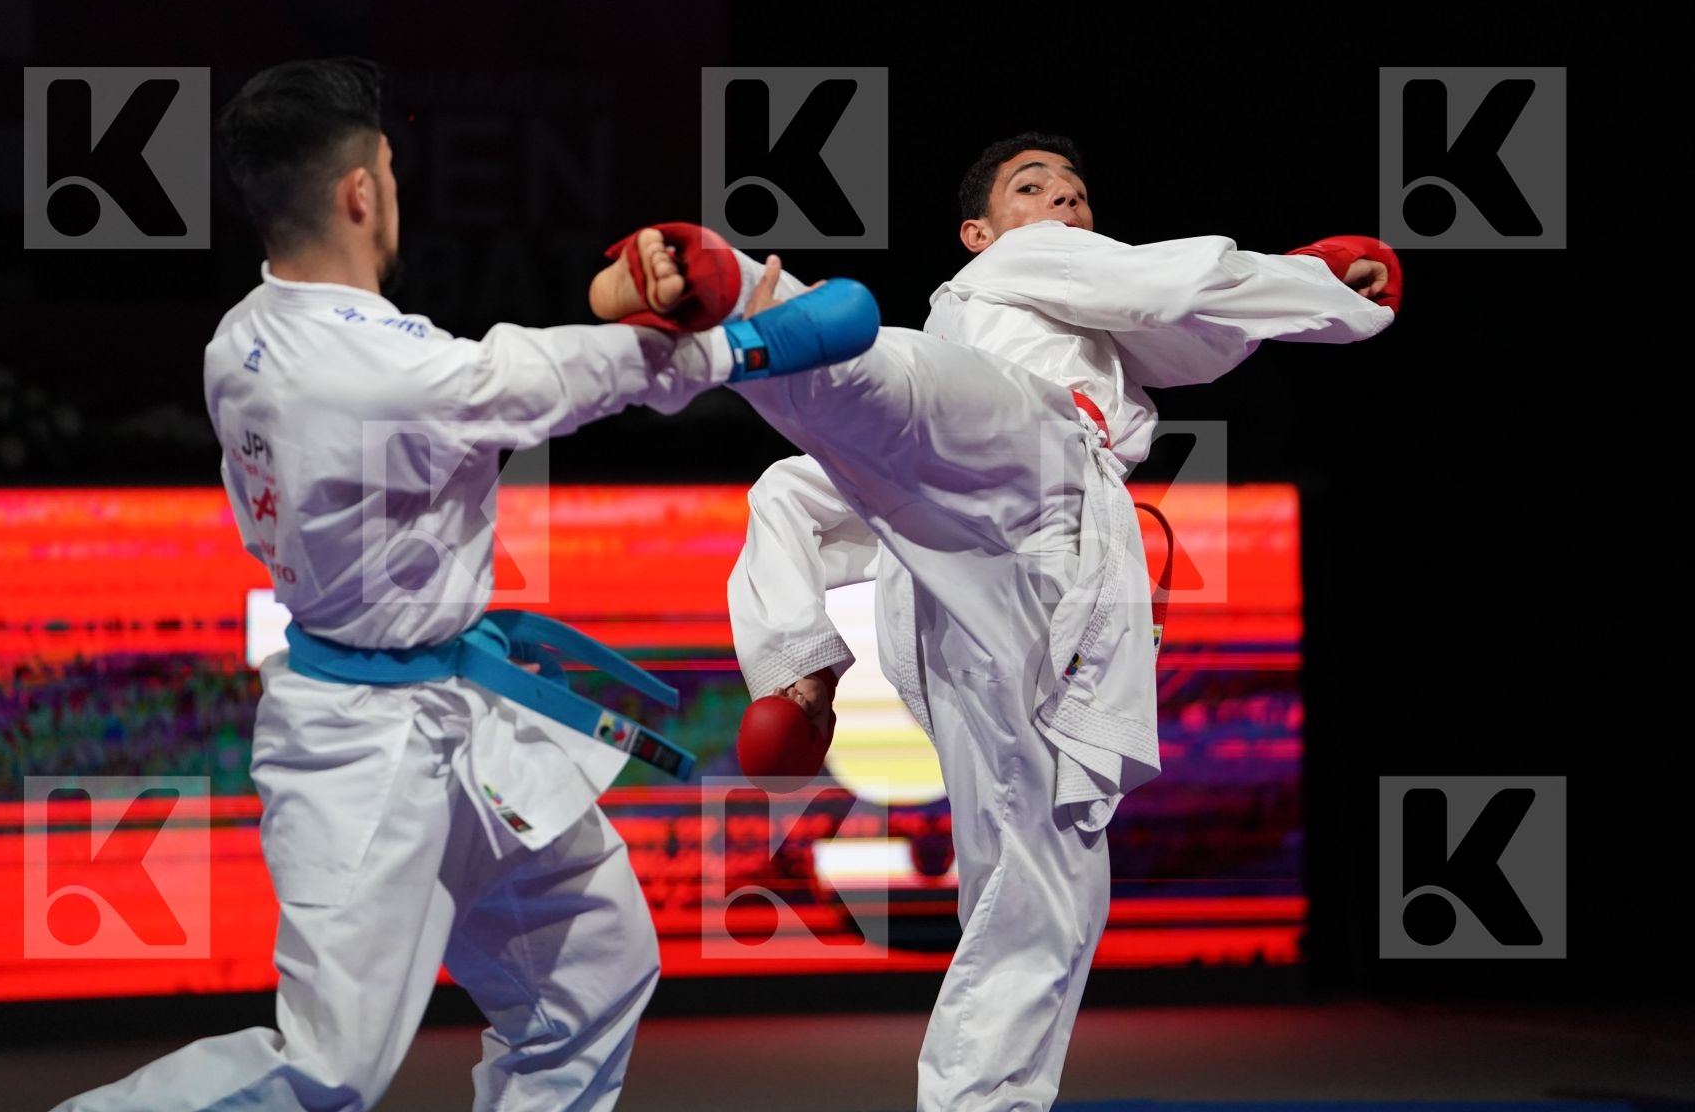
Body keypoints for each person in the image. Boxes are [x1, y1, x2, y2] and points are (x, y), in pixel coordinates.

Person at [48, 57, 877, 1112]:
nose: (395, 189)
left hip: (463, 715)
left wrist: (648, 314)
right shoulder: (377, 369)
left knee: (594, 968)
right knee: (327, 1064)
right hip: (361, 739)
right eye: (389, 170)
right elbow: (530, 380)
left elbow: (499, 373)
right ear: (360, 192)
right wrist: (745, 345)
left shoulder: (244, 335)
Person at [591, 132, 1399, 1112]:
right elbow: (1176, 284)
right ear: (979, 233)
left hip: (957, 589)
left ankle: (796, 640)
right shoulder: (1029, 262)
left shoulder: (1065, 320)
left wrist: (789, 666)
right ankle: (749, 305)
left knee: (1045, 885)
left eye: (1078, 191)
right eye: (1034, 187)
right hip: (1034, 473)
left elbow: (1190, 326)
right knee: (897, 391)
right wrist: (1323, 286)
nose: (1065, 203)